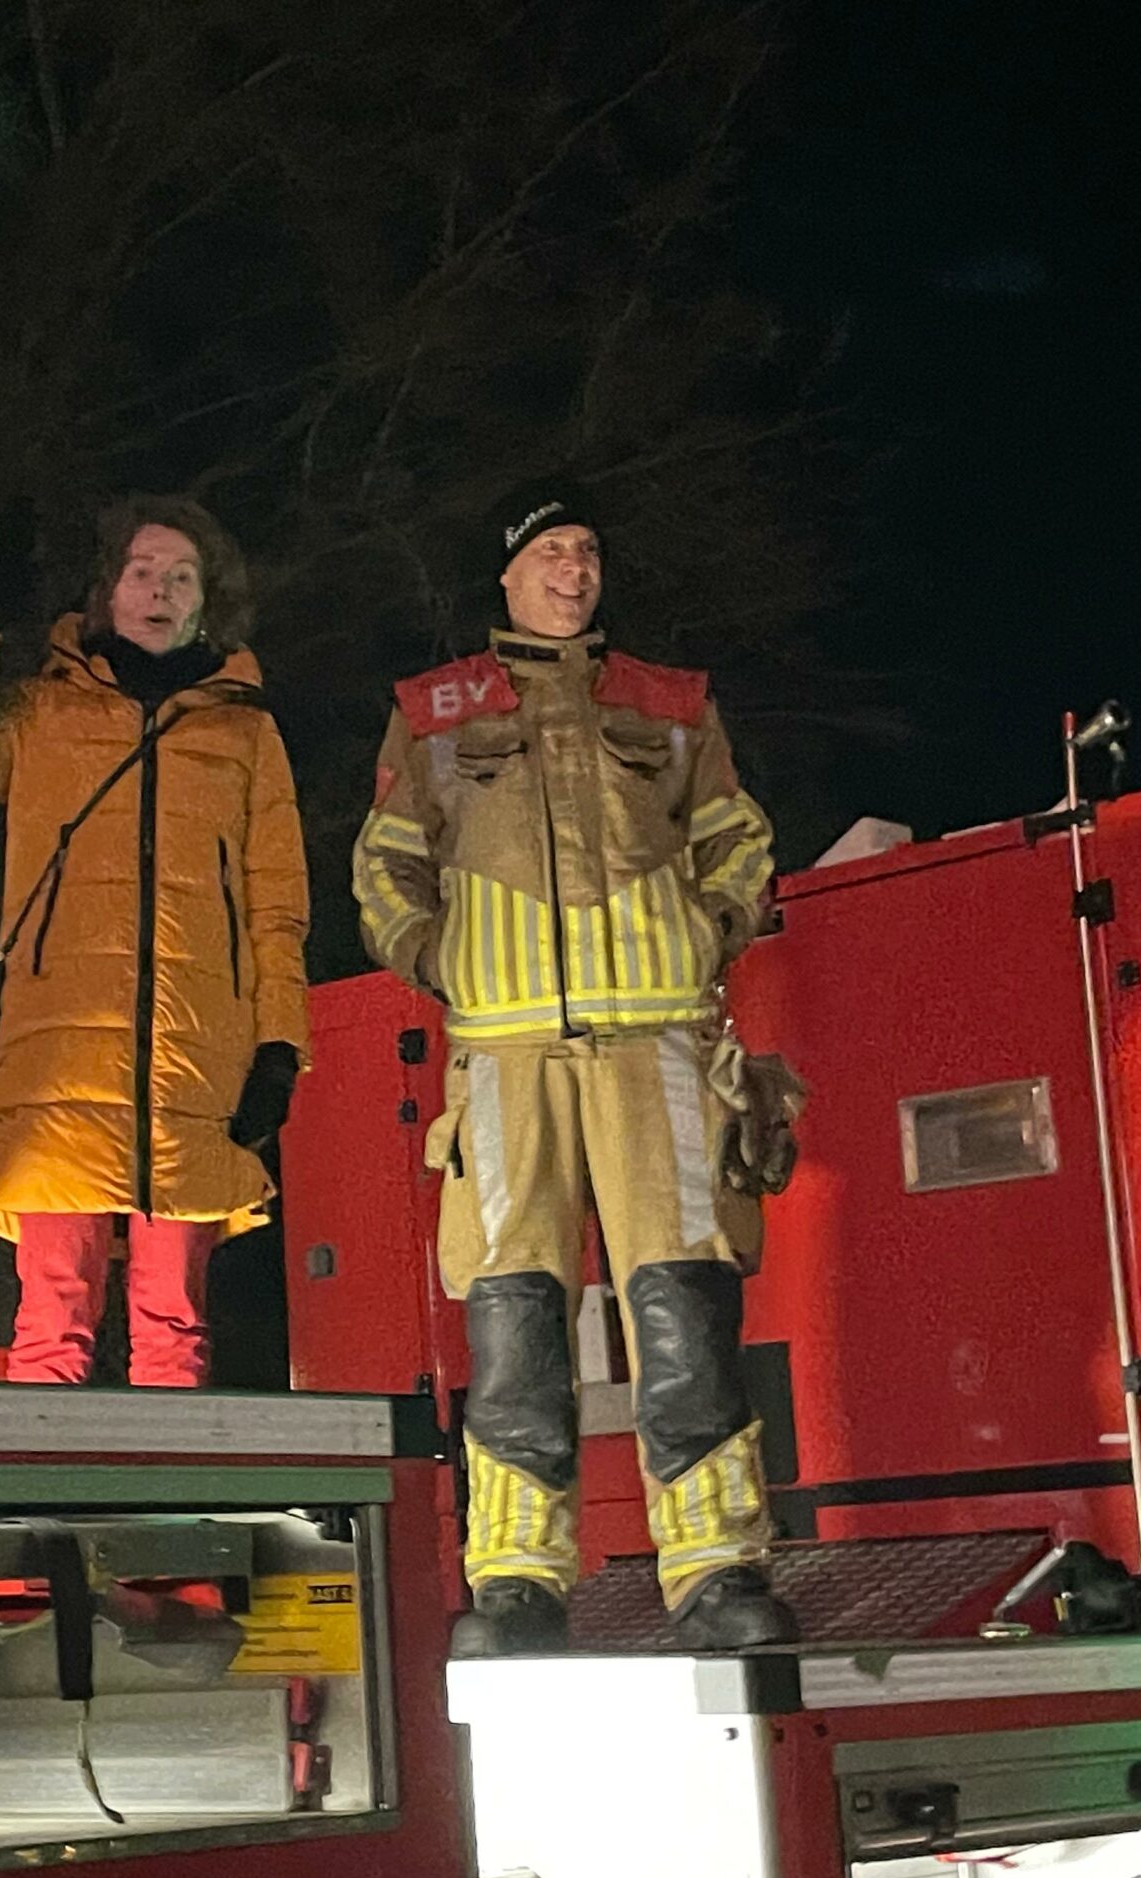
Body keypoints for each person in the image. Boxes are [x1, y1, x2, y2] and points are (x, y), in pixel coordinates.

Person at [351, 479, 793, 1655]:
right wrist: (433, 954)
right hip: (501, 1057)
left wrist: (711, 926)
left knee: (687, 1311)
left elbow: (736, 839)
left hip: (657, 1045)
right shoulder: (433, 711)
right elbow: (387, 862)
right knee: (511, 1324)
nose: (574, 569)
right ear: (506, 573)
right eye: (552, 550)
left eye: (588, 548)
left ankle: (716, 1575)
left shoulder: (670, 701)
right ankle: (513, 1583)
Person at [0, 498, 307, 1388]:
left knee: (177, 1322)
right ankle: (47, 1500)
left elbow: (278, 903)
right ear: (106, 590)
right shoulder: (45, 710)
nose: (160, 591)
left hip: (198, 1050)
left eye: (181, 576)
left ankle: (178, 1505)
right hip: (59, 1044)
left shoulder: (246, 732)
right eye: (142, 571)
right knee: (52, 1312)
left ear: (209, 600)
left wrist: (280, 1043)